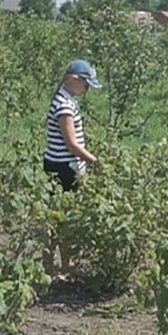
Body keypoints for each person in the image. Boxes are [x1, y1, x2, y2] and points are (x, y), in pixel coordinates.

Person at [41, 59, 101, 278]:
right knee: (64, 218)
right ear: (73, 79)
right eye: (85, 84)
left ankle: (58, 265)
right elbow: (72, 144)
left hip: (61, 165)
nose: (86, 89)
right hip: (64, 168)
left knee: (59, 216)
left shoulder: (65, 100)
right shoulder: (64, 106)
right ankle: (61, 267)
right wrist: (95, 161)